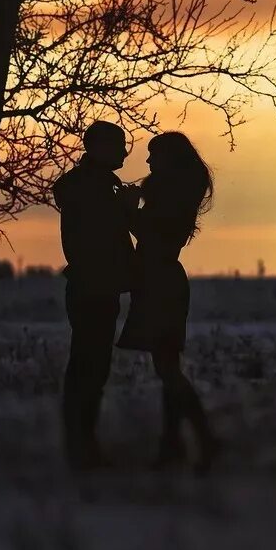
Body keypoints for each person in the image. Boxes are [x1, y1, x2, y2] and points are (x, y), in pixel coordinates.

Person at [116, 131, 219, 473]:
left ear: (168, 160)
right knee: (167, 368)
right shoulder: (174, 193)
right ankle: (173, 444)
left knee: (168, 369)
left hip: (160, 283)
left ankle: (203, 440)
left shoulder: (170, 197)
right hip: (161, 282)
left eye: (152, 155)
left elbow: (155, 236)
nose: (147, 162)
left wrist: (131, 212)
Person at [53, 120, 134, 470]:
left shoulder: (95, 185)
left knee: (89, 366)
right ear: (98, 148)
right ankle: (81, 446)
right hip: (94, 285)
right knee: (89, 366)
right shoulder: (92, 187)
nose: (124, 153)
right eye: (118, 146)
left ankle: (82, 442)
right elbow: (101, 233)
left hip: (96, 284)